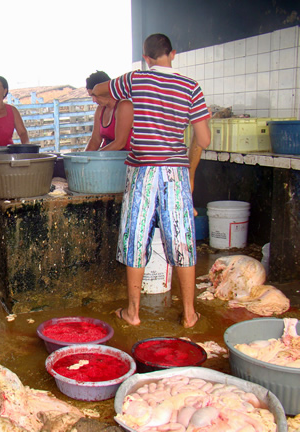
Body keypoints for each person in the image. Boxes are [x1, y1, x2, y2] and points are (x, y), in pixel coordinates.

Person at [92, 33, 211, 328]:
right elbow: (204, 139)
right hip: (175, 174)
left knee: (135, 238)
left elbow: (99, 88)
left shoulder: (136, 80)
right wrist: (191, 173)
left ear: (145, 58)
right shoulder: (191, 87)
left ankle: (133, 313)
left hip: (142, 171)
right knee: (182, 240)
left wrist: (112, 87)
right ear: (173, 53)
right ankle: (189, 314)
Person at [84, 71, 133, 152]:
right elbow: (95, 140)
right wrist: (84, 157)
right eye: (91, 96)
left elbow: (120, 143)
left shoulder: (125, 105)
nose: (93, 100)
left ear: (105, 90)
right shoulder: (100, 109)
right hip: (107, 156)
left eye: (95, 95)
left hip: (125, 157)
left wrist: (97, 157)